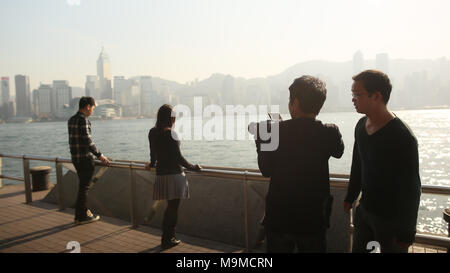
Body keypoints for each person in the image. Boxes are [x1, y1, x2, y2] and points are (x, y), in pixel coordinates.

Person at [256, 76, 344, 252]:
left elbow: (266, 170)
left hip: (280, 218)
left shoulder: (271, 131)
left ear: (294, 102)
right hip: (314, 219)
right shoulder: (329, 132)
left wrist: (269, 132)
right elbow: (338, 152)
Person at [343, 70, 421, 253]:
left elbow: (412, 188)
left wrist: (407, 234)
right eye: (352, 94)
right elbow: (358, 164)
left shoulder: (402, 137)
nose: (353, 99)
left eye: (357, 94)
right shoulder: (361, 126)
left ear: (377, 96)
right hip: (364, 212)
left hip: (390, 221)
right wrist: (350, 196)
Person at [145, 104, 202, 249]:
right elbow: (179, 158)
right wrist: (194, 167)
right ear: (171, 118)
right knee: (173, 209)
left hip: (162, 175)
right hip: (175, 176)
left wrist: (151, 164)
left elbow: (153, 154)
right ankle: (168, 238)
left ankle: (167, 237)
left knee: (169, 208)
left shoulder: (153, 132)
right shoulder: (172, 133)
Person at [68, 96, 110, 225]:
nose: (92, 111)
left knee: (82, 187)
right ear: (87, 107)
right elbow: (87, 140)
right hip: (85, 159)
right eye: (92, 108)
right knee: (84, 188)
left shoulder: (71, 120)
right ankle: (81, 217)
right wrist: (100, 155)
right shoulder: (83, 120)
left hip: (75, 158)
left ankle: (81, 214)